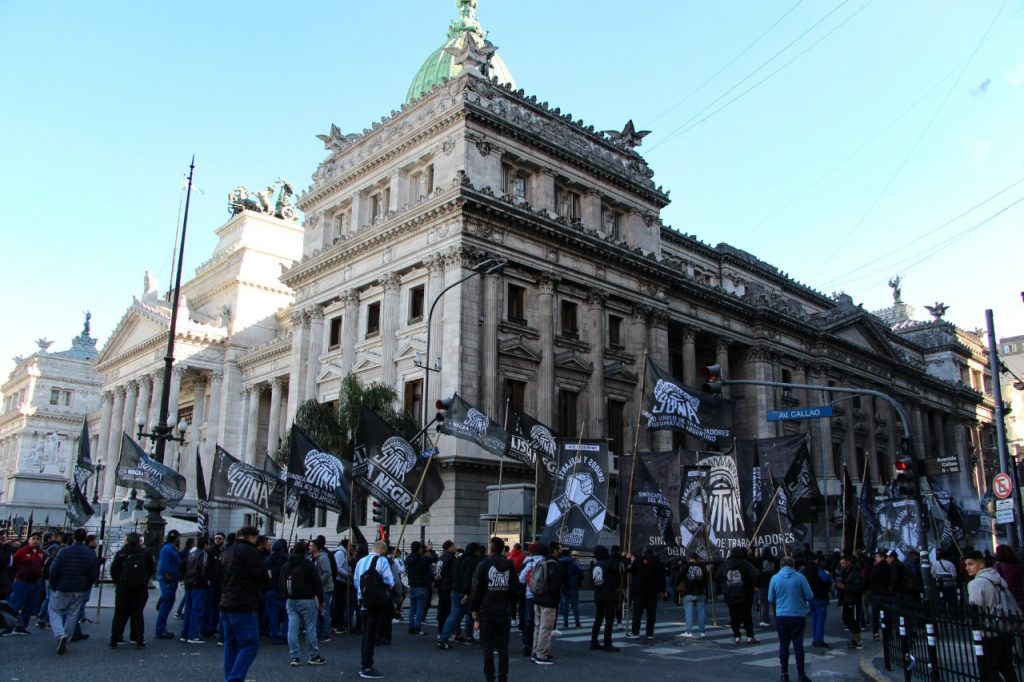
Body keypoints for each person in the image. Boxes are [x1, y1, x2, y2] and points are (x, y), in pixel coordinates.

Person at [965, 548, 1021, 682]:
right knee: (1006, 667)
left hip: (988, 632)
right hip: (1005, 628)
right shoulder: (998, 579)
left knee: (988, 669)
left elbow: (975, 608)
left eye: (971, 564)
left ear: (981, 563)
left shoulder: (976, 584)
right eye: (966, 564)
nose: (967, 568)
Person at [219, 525, 266, 682]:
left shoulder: (227, 551)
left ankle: (230, 676)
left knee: (230, 645)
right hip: (243, 602)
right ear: (251, 537)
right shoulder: (251, 552)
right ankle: (235, 679)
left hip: (226, 601)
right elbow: (261, 575)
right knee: (250, 644)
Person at [470, 537, 521, 682]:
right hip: (503, 610)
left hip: (487, 610)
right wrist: (509, 603)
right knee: (503, 647)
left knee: (487, 647)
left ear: (491, 549)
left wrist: (474, 608)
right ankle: (503, 676)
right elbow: (516, 588)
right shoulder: (509, 565)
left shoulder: (484, 565)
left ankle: (489, 677)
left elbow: (477, 588)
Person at [47, 528, 99, 654]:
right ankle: (67, 637)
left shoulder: (64, 551)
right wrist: (86, 586)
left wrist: (53, 585)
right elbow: (93, 573)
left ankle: (60, 634)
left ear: (74, 538)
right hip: (80, 588)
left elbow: (53, 569)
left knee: (54, 610)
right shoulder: (90, 553)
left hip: (63, 586)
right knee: (73, 613)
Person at [768, 556, 813, 682]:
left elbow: (770, 598)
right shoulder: (800, 577)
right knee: (798, 645)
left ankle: (784, 673)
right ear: (793, 565)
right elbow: (809, 595)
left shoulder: (775, 578)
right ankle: (801, 673)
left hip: (782, 614)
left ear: (781, 565)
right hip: (798, 614)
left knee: (784, 644)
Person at [354, 540, 395, 679]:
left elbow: (355, 582)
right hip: (376, 602)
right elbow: (390, 582)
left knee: (367, 633)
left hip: (363, 600)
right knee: (372, 633)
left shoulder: (360, 561)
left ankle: (365, 662)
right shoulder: (382, 561)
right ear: (382, 550)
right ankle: (367, 665)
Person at [281, 540, 326, 667]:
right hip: (307, 599)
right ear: (305, 551)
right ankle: (313, 655)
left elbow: (281, 582)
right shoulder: (308, 564)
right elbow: (317, 584)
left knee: (292, 629)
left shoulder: (287, 565)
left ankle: (294, 656)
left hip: (291, 600)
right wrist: (321, 601)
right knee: (310, 628)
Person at [108, 531, 154, 648]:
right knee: (138, 614)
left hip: (123, 588)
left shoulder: (121, 553)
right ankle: (138, 639)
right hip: (139, 588)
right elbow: (151, 569)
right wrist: (143, 580)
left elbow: (113, 570)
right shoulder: (145, 553)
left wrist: (118, 581)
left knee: (119, 614)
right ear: (139, 541)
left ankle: (115, 638)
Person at [437, 542, 482, 648]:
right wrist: (467, 593)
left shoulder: (458, 559)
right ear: (475, 551)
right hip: (465, 592)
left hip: (455, 589)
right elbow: (469, 578)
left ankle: (443, 638)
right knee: (472, 614)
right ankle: (470, 636)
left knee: (454, 615)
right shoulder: (472, 561)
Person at [2, 531, 45, 635]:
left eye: (38, 539)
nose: (35, 541)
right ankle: (8, 628)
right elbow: (12, 564)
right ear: (29, 540)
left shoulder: (41, 553)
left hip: (34, 583)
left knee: (28, 607)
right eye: (33, 538)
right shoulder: (21, 551)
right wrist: (16, 576)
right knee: (14, 606)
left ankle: (20, 627)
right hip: (21, 582)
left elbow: (41, 565)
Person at [715, 546, 760, 644]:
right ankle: (750, 636)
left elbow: (717, 577)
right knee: (747, 615)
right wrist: (751, 582)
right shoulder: (745, 564)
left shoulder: (724, 564)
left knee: (733, 616)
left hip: (730, 593)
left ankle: (736, 635)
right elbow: (756, 574)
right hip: (745, 593)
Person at [530, 542, 563, 665]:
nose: (561, 551)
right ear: (554, 551)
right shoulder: (556, 565)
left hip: (537, 597)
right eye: (559, 549)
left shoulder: (542, 562)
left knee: (538, 627)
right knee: (546, 628)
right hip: (549, 601)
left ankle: (535, 652)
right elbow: (555, 587)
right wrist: (557, 598)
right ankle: (541, 655)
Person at [626, 547, 667, 642]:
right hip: (653, 591)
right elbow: (662, 577)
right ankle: (650, 633)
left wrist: (629, 560)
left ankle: (635, 632)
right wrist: (662, 590)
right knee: (651, 614)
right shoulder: (657, 563)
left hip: (639, 591)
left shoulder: (638, 561)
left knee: (637, 613)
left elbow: (629, 570)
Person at [589, 544, 620, 651]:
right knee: (609, 620)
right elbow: (619, 569)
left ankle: (594, 641)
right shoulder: (610, 562)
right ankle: (607, 643)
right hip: (609, 595)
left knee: (598, 619)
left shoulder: (596, 564)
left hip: (598, 594)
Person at [180, 535, 210, 643]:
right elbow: (202, 569)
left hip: (189, 582)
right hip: (198, 584)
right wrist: (202, 580)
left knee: (188, 609)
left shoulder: (192, 553)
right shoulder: (203, 554)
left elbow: (183, 565)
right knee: (197, 610)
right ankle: (193, 635)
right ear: (206, 544)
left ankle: (185, 633)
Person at [404, 541, 436, 635]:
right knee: (420, 608)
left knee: (412, 608)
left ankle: (411, 627)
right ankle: (417, 627)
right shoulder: (423, 559)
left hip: (412, 585)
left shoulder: (409, 558)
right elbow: (435, 559)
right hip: (422, 585)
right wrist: (431, 550)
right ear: (419, 549)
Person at [155, 530, 181, 640]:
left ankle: (161, 628)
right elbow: (164, 566)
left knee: (168, 602)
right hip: (169, 579)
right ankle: (160, 630)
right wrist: (168, 579)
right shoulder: (167, 549)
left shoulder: (169, 548)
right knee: (167, 604)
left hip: (171, 578)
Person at [802, 553, 831, 648]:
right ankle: (818, 639)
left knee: (814, 618)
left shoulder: (805, 569)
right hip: (820, 595)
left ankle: (815, 637)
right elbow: (825, 578)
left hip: (810, 596)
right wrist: (828, 574)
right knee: (820, 619)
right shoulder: (818, 569)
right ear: (817, 560)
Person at [517, 542, 541, 656]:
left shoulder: (529, 562)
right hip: (541, 595)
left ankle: (527, 645)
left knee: (528, 620)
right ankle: (539, 646)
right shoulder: (543, 561)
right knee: (540, 622)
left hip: (529, 594)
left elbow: (521, 579)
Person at [835, 553, 863, 649]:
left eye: (843, 563)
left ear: (848, 562)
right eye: (841, 564)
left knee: (853, 620)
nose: (842, 565)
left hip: (853, 599)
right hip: (845, 598)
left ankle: (857, 640)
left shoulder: (855, 573)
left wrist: (845, 587)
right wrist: (839, 586)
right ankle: (854, 638)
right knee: (846, 618)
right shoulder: (844, 572)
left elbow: (858, 588)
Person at [677, 553, 709, 638]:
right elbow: (707, 579)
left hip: (688, 591)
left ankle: (689, 631)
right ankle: (702, 632)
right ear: (697, 559)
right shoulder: (702, 567)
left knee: (689, 612)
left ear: (689, 558)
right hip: (700, 591)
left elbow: (679, 577)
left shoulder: (686, 566)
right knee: (701, 612)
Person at [264, 538, 288, 645]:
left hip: (271, 589)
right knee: (287, 615)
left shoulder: (267, 560)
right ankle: (286, 634)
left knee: (273, 614)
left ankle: (274, 634)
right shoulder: (287, 559)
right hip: (285, 590)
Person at [310, 538, 334, 641]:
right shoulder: (313, 558)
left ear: (315, 547)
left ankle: (325, 633)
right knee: (318, 610)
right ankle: (319, 631)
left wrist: (318, 583)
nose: (309, 547)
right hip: (318, 588)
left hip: (324, 588)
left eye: (311, 546)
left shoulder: (322, 558)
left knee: (324, 610)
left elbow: (327, 572)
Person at [866, 550, 890, 641]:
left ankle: (876, 632)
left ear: (882, 557)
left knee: (876, 614)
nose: (875, 559)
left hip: (877, 592)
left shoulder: (879, 567)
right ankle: (887, 632)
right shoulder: (887, 566)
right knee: (885, 613)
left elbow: (871, 577)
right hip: (884, 592)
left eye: (877, 557)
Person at [993, 545, 1024, 611]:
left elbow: (994, 579)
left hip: (1008, 596)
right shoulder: (1017, 565)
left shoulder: (998, 566)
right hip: (1020, 595)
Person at [558, 549, 582, 629]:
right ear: (569, 554)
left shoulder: (559, 562)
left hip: (563, 585)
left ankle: (565, 623)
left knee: (565, 605)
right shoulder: (573, 563)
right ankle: (577, 623)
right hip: (573, 585)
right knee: (575, 605)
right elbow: (580, 571)